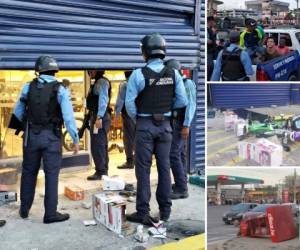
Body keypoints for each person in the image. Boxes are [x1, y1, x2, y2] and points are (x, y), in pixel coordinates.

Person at [125, 33, 188, 225]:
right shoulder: (174, 74)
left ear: (144, 52)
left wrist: (140, 118)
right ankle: (165, 211)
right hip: (166, 128)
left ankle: (143, 212)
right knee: (163, 169)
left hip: (145, 126)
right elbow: (182, 101)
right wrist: (167, 110)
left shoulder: (138, 74)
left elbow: (129, 104)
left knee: (143, 170)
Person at [10, 55, 80, 224]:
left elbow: (18, 110)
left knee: (28, 172)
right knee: (51, 174)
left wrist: (16, 128)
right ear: (54, 70)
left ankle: (24, 209)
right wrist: (75, 139)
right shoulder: (61, 89)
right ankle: (50, 214)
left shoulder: (28, 87)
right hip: (51, 138)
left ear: (38, 70)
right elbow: (69, 118)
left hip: (31, 137)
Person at [165, 59, 196, 200]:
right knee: (181, 154)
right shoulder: (174, 84)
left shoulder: (187, 83)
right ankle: (181, 182)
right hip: (174, 122)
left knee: (173, 154)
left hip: (181, 123)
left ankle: (182, 189)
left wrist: (186, 125)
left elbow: (191, 106)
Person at [86, 70, 112, 180]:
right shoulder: (97, 82)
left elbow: (103, 100)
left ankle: (100, 171)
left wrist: (99, 117)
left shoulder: (101, 82)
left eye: (91, 71)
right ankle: (103, 170)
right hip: (97, 115)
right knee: (101, 144)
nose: (89, 73)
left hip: (99, 117)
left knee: (98, 145)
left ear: (96, 70)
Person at [115, 71, 135, 169]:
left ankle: (130, 161)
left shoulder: (124, 84)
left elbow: (120, 100)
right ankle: (137, 159)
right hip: (139, 114)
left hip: (128, 114)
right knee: (137, 137)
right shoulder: (138, 82)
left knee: (128, 138)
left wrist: (116, 114)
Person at [207, 16, 217, 81]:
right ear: (210, 22)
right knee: (210, 66)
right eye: (213, 22)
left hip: (212, 52)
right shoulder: (206, 29)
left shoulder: (210, 29)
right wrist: (213, 41)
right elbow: (207, 41)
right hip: (208, 52)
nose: (214, 23)